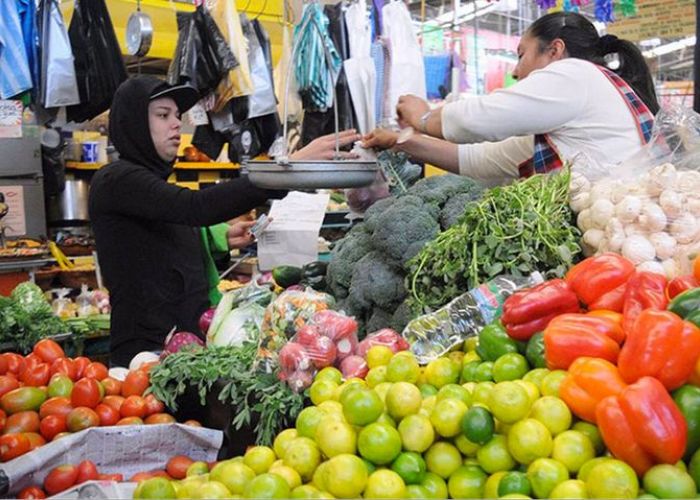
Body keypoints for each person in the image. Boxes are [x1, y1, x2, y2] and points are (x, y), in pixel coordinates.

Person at [89, 75, 360, 366]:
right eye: (162, 115)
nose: (176, 124)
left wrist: (221, 237)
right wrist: (289, 168)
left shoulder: (148, 182)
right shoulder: (116, 180)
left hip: (184, 348)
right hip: (144, 356)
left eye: (177, 116)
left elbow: (166, 233)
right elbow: (195, 207)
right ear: (134, 123)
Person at [363, 12, 658, 185]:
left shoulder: (575, 74)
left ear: (554, 51)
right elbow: (479, 161)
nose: (516, 71)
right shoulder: (569, 115)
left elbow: (479, 118)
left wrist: (425, 118)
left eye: (521, 56)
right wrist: (400, 141)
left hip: (616, 246)